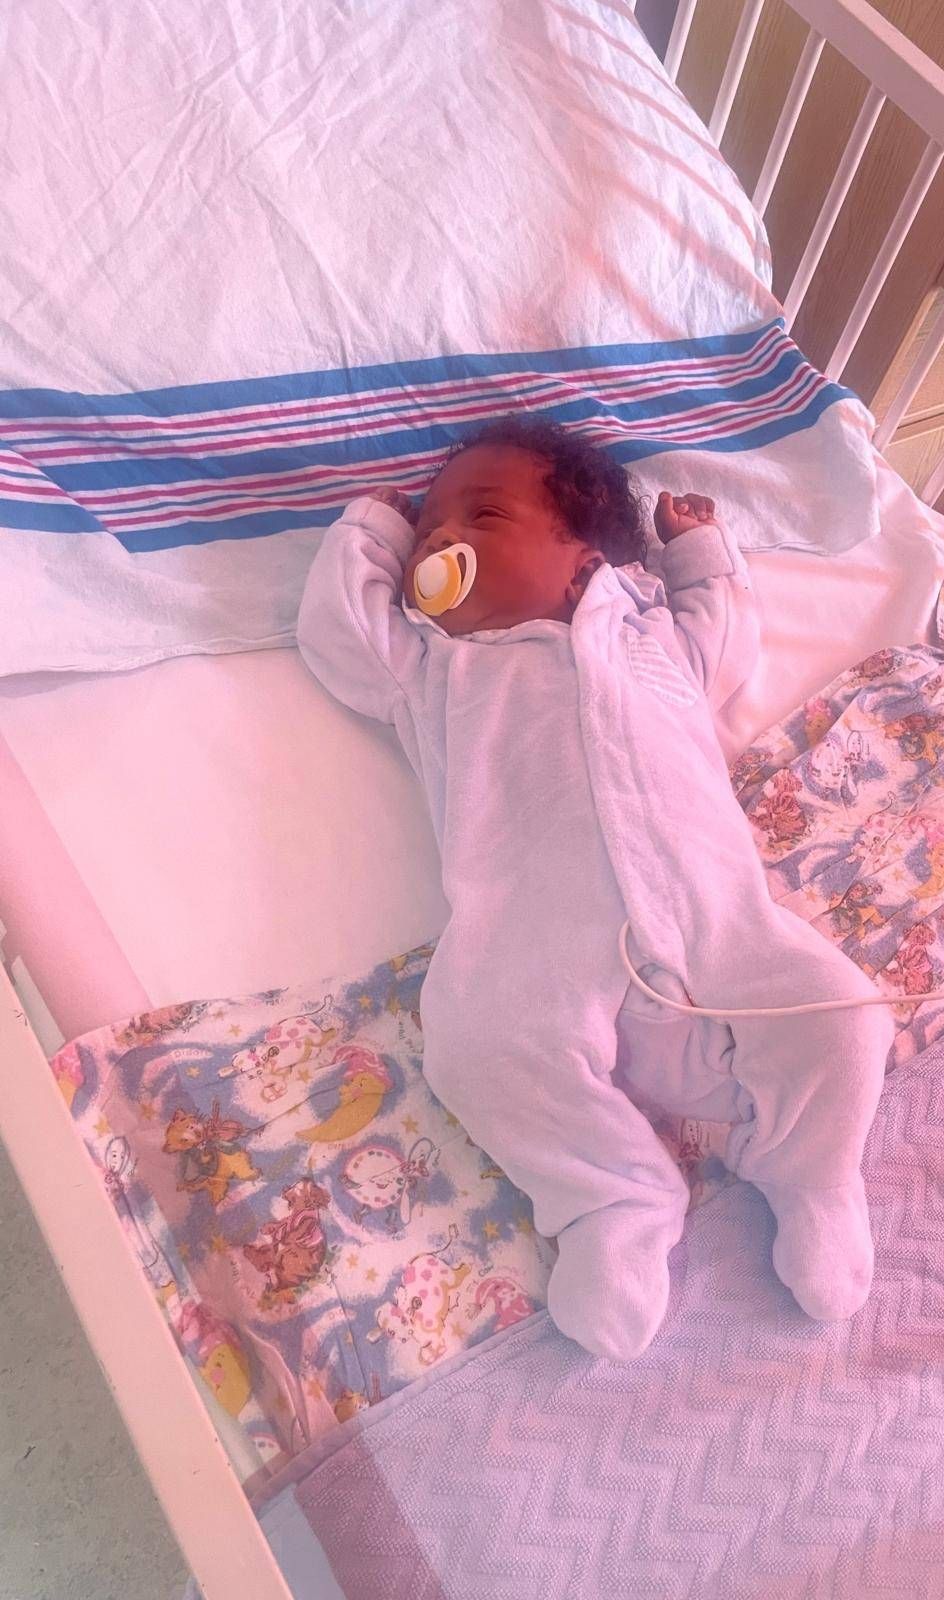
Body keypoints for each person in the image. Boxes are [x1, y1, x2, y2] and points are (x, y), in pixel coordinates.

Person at [297, 416, 892, 1359]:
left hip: (716, 918)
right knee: (474, 1046)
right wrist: (368, 531)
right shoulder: (433, 668)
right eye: (427, 533)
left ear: (586, 561)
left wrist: (698, 552)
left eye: (480, 516)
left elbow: (728, 638)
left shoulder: (651, 635)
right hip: (533, 938)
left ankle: (811, 1170)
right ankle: (612, 1199)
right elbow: (340, 636)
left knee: (847, 1016)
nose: (440, 539)